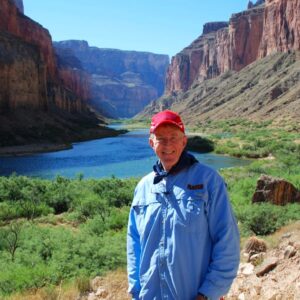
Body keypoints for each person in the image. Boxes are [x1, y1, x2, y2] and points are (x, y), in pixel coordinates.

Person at [127, 110, 240, 300]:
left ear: (184, 141)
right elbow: (134, 242)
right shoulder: (143, 188)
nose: (168, 144)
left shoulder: (208, 181)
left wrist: (208, 293)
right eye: (161, 138)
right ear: (151, 143)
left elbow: (227, 240)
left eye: (173, 137)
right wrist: (136, 290)